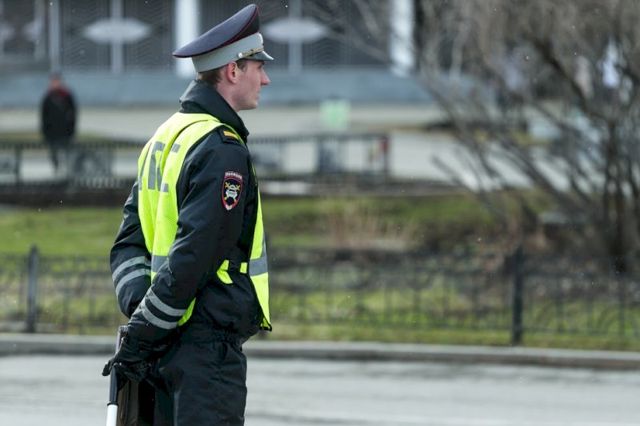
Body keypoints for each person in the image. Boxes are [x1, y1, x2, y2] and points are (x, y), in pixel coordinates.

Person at [102, 4, 273, 425]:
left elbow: (128, 246)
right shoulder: (222, 149)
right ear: (232, 71)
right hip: (205, 352)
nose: (265, 79)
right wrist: (146, 329)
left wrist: (144, 319)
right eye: (258, 67)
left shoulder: (165, 136)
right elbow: (196, 255)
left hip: (160, 348)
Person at [40, 72, 76, 173]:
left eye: (56, 81)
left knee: (68, 151)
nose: (55, 84)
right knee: (53, 153)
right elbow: (44, 116)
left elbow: (73, 114)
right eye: (53, 82)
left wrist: (72, 128)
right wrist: (45, 131)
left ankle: (68, 171)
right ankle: (56, 169)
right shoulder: (48, 97)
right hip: (52, 132)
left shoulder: (67, 96)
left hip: (65, 131)